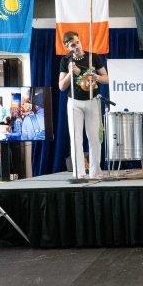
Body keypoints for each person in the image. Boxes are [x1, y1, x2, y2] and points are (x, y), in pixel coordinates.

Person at [59, 31, 109, 178]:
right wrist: (70, 73)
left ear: (80, 41)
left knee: (94, 138)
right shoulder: (66, 61)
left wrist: (97, 77)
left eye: (77, 42)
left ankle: (95, 171)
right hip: (74, 102)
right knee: (76, 139)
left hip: (92, 100)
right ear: (68, 47)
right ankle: (79, 172)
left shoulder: (93, 57)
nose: (76, 46)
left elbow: (106, 78)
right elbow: (61, 86)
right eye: (72, 45)